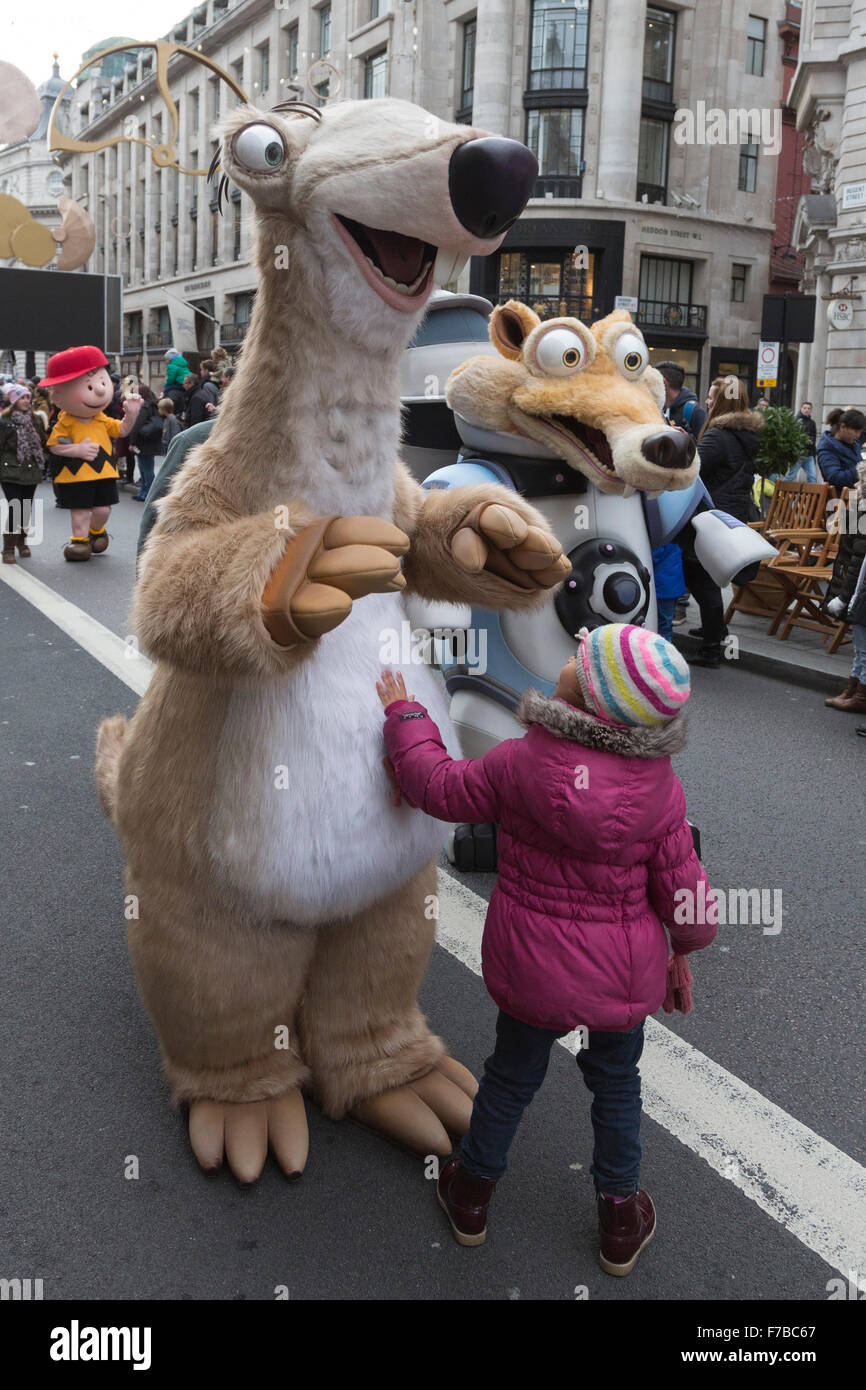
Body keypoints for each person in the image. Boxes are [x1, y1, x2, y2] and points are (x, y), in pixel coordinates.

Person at [378, 624, 715, 1274]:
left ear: (590, 695)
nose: (569, 651)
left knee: (509, 1079)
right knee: (618, 1087)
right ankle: (620, 1218)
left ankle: (471, 1194)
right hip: (623, 974)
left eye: (579, 657)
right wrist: (681, 953)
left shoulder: (523, 760)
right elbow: (686, 893)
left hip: (534, 969)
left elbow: (439, 787)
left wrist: (407, 714)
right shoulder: (659, 788)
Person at [678, 376, 764, 668]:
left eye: (712, 398)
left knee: (700, 578)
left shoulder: (718, 435)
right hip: (732, 513)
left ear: (722, 402)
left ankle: (713, 647)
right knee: (709, 576)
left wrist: (684, 442)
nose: (707, 402)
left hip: (709, 515)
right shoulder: (747, 436)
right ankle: (715, 629)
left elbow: (693, 470)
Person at [41, 344, 141, 561]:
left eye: (103, 382)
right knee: (80, 511)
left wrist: (131, 415)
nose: (100, 390)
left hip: (103, 472)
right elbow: (55, 445)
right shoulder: (65, 422)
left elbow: (122, 429)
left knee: (103, 510)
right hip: (76, 474)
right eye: (89, 387)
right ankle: (79, 542)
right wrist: (76, 449)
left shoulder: (101, 418)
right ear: (58, 396)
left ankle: (95, 532)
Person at [823, 458, 866, 714]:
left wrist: (844, 596)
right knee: (860, 644)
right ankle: (852, 688)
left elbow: (857, 562)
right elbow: (846, 553)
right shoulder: (857, 509)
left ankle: (860, 694)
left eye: (861, 480)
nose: (854, 483)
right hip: (854, 587)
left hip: (859, 589)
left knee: (863, 647)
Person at [1, 385, 46, 564]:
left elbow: (42, 441)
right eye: (22, 398)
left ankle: (22, 541)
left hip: (30, 469)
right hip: (10, 469)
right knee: (15, 508)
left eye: (28, 397)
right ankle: (8, 549)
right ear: (14, 401)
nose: (26, 401)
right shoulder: (4, 421)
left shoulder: (34, 418)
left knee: (25, 508)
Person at [818, 408, 865, 495]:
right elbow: (833, 477)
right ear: (843, 427)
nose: (858, 436)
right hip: (840, 501)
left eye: (860, 432)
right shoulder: (827, 447)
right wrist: (861, 470)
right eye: (855, 431)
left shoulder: (854, 444)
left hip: (855, 497)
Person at [128, 385, 163, 501]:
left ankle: (146, 492)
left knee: (145, 468)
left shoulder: (144, 407)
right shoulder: (155, 406)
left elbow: (137, 425)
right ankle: (145, 492)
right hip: (151, 442)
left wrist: (132, 442)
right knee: (147, 467)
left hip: (142, 442)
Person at [655, 361, 706, 439]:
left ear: (663, 382)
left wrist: (684, 438)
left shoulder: (695, 411)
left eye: (653, 382)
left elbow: (706, 447)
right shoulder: (660, 408)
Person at [651, 542, 686, 640]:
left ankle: (660, 651)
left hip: (662, 588)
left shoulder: (659, 539)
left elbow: (652, 556)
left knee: (661, 625)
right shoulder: (673, 535)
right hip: (673, 587)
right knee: (666, 625)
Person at [783, 401, 818, 483]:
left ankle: (813, 495)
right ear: (801, 409)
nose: (806, 410)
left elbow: (814, 439)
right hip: (798, 454)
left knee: (812, 476)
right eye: (804, 408)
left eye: (809, 408)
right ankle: (780, 491)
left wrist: (813, 454)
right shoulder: (795, 420)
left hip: (809, 455)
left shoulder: (812, 423)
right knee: (791, 476)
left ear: (811, 410)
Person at [187, 360, 220, 426]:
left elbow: (210, 403)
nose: (200, 372)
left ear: (206, 371)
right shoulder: (214, 381)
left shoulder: (207, 385)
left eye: (202, 369)